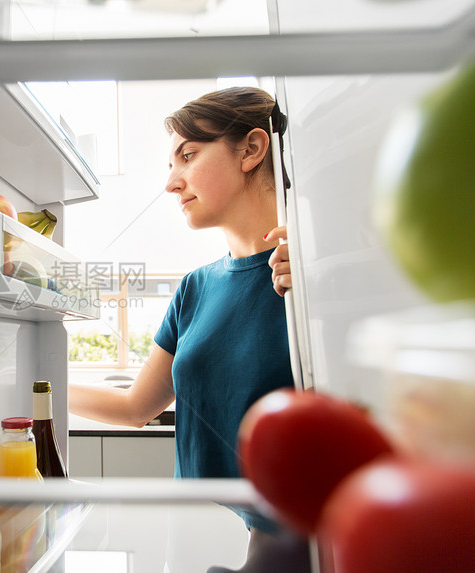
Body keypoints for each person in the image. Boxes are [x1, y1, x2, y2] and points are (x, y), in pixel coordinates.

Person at [68, 87, 307, 573]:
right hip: (194, 528)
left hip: (284, 546)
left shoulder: (308, 275)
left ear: (252, 150)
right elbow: (136, 407)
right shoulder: (196, 287)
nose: (172, 183)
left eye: (189, 155)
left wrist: (317, 275)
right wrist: (25, 383)